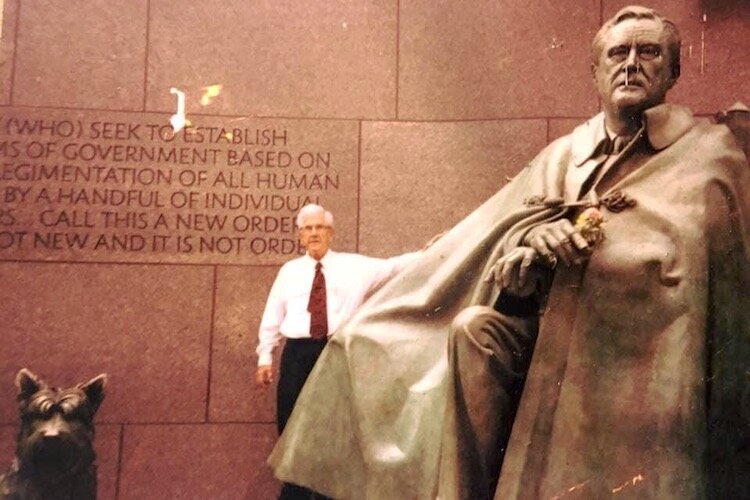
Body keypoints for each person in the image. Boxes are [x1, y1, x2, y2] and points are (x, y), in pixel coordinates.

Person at [269, 6, 750, 499]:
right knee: (453, 334)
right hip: (545, 334)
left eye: (648, 52)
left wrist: (604, 256)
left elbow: (698, 265)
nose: (630, 63)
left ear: (673, 71)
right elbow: (501, 237)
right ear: (595, 71)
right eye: (617, 52)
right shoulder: (565, 153)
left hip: (643, 352)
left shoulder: (708, 154)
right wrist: (526, 251)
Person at [256, 203, 420, 499]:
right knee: (291, 422)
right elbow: (273, 315)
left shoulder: (354, 266)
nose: (314, 233)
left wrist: (436, 248)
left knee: (337, 426)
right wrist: (265, 356)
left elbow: (395, 266)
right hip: (297, 355)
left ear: (331, 233)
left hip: (336, 353)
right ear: (300, 236)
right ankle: (294, 492)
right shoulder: (289, 271)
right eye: (307, 228)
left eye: (319, 227)